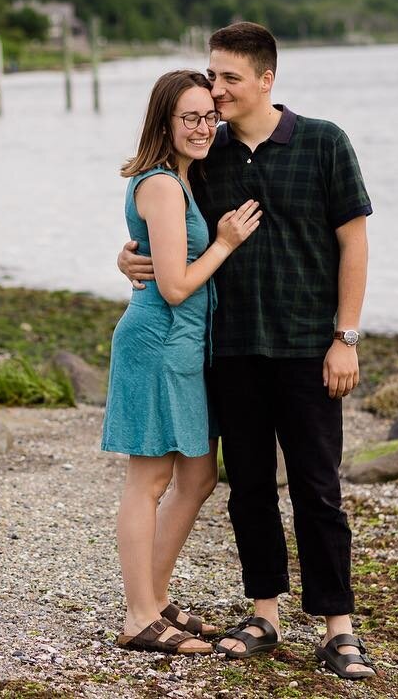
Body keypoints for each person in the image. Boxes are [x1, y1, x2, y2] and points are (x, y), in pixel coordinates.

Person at [118, 23, 376, 679]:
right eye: (212, 76)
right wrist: (129, 258)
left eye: (229, 78)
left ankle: (338, 626)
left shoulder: (323, 141)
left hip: (306, 348)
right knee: (250, 490)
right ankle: (264, 612)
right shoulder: (210, 152)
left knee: (317, 488)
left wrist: (345, 337)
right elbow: (167, 221)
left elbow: (354, 242)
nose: (216, 89)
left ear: (266, 79)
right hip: (229, 350)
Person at [103, 69, 261, 656]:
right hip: (159, 343)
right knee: (148, 480)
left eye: (208, 116)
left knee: (197, 476)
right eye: (188, 117)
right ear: (164, 123)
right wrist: (224, 243)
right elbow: (173, 287)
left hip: (186, 348)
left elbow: (157, 257)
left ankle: (156, 596)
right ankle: (140, 617)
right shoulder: (164, 186)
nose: (202, 127)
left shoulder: (181, 179)